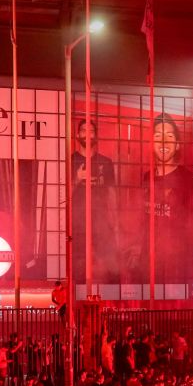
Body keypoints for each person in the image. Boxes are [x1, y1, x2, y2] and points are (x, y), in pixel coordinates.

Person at [134, 113, 193, 289]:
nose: (163, 142)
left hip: (175, 264)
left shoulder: (187, 179)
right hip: (147, 261)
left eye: (169, 136)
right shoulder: (147, 177)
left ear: (177, 144)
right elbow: (142, 217)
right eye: (158, 136)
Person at [72, 119, 119, 283]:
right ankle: (77, 304)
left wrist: (115, 224)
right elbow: (62, 195)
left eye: (91, 131)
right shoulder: (70, 161)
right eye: (84, 130)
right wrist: (77, 178)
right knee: (78, 269)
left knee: (109, 268)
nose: (87, 134)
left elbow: (111, 194)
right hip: (77, 225)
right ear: (77, 135)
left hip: (102, 223)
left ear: (96, 136)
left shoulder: (106, 163)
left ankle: (109, 304)